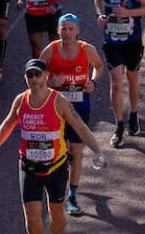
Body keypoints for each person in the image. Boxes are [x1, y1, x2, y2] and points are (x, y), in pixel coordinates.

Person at [0, 57, 101, 234]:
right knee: (31, 215)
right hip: (28, 167)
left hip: (55, 167)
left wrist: (98, 151)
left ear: (46, 76)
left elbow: (80, 126)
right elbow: (8, 124)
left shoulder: (59, 101)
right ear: (25, 78)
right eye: (30, 75)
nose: (34, 79)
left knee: (55, 212)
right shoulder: (20, 101)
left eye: (38, 74)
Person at [41, 14, 104, 219]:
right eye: (63, 29)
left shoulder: (87, 50)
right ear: (58, 31)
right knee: (58, 149)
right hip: (56, 108)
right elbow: (34, 76)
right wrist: (50, 83)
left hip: (79, 105)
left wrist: (93, 82)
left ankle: (73, 195)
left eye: (70, 29)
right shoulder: (50, 50)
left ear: (77, 31)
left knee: (76, 150)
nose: (67, 33)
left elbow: (99, 66)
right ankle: (57, 182)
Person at [94, 0, 145, 149]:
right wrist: (100, 15)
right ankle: (119, 125)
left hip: (132, 41)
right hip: (111, 41)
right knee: (116, 82)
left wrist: (129, 12)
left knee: (132, 78)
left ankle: (134, 113)